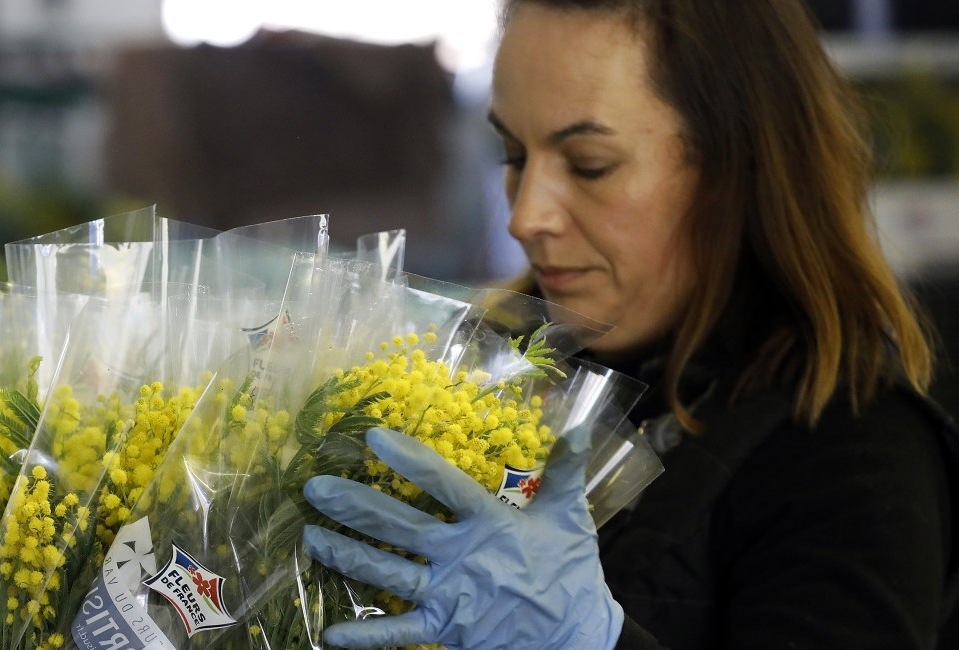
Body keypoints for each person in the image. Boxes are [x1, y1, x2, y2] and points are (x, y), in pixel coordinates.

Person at [298, 0, 959, 648]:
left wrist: (591, 640)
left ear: (737, 169)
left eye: (590, 165)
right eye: (513, 155)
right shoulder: (483, 374)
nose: (525, 218)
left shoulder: (856, 456)